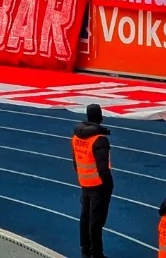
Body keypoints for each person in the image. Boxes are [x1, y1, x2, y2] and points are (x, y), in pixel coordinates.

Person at [72, 103, 113, 258]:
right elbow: (103, 168)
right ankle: (96, 254)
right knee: (96, 222)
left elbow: (75, 162)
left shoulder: (76, 137)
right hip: (98, 185)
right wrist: (109, 185)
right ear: (101, 118)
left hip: (85, 183)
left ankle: (85, 250)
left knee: (85, 218)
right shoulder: (100, 139)